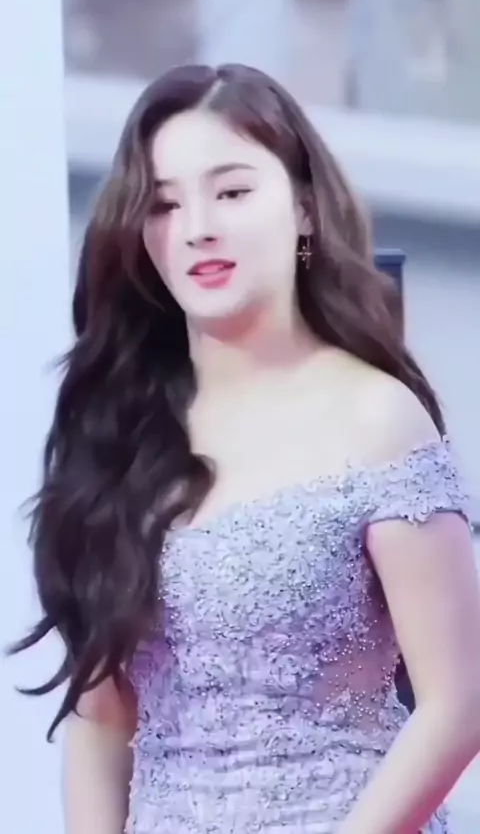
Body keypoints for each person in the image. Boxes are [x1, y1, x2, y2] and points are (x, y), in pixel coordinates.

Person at [11, 63, 480, 833]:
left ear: (303, 209)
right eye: (164, 204)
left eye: (231, 192)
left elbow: (457, 705)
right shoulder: (118, 433)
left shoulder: (377, 419)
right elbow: (101, 721)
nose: (198, 226)